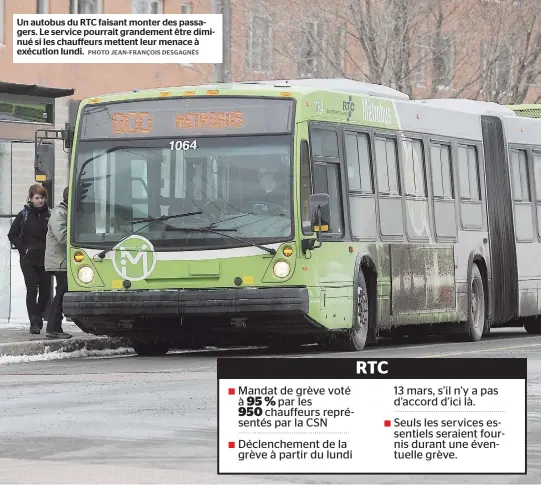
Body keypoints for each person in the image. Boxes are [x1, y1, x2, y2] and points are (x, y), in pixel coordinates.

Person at [8, 184, 52, 334]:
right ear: (31, 198)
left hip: (45, 258)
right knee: (32, 289)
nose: (40, 201)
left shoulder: (50, 215)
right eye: (37, 198)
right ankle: (33, 321)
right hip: (28, 259)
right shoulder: (24, 214)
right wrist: (23, 248)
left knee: (46, 291)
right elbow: (12, 234)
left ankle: (39, 314)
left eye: (42, 198)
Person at [44, 186, 72, 339]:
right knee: (61, 292)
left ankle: (55, 326)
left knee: (62, 291)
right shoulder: (59, 213)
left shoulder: (65, 212)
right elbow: (63, 237)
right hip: (59, 261)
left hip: (62, 260)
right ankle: (53, 327)